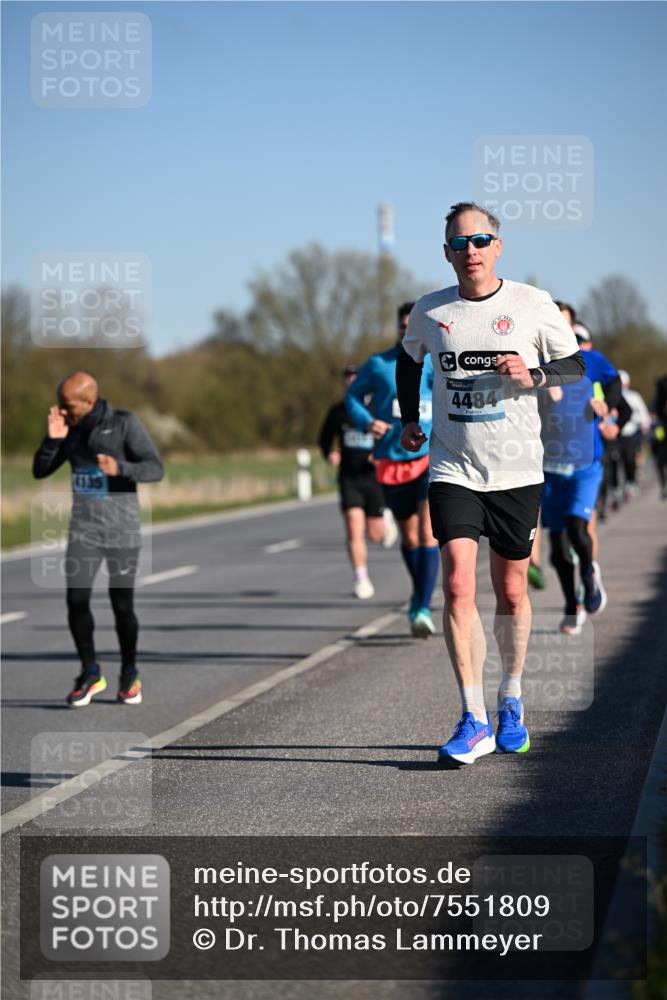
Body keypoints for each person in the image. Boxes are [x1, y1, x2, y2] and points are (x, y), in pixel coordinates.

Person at [397, 202, 585, 765]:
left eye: (480, 240)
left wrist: (535, 374)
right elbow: (410, 363)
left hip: (517, 471)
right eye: (459, 242)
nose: (470, 251)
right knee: (457, 585)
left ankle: (511, 699)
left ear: (497, 245)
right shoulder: (431, 311)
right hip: (453, 468)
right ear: (447, 252)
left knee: (510, 593)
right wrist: (411, 417)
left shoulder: (532, 304)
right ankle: (472, 716)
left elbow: (575, 365)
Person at [33, 372, 164, 707]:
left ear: (89, 401)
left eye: (67, 404)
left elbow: (155, 468)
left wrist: (120, 468)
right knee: (76, 600)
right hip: (84, 530)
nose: (61, 410)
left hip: (122, 529)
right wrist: (52, 440)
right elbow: (40, 470)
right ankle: (90, 672)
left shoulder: (123, 423)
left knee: (122, 605)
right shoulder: (68, 428)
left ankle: (129, 673)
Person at [346, 304, 440, 638]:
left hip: (429, 456)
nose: (406, 331)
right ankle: (419, 592)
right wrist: (367, 420)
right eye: (402, 326)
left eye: (412, 325)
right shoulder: (379, 364)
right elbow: (353, 396)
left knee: (429, 531)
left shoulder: (435, 360)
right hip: (392, 458)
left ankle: (423, 607)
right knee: (410, 536)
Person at [318, 365, 397, 599]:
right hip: (349, 477)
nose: (352, 381)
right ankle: (361, 578)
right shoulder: (338, 412)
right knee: (354, 526)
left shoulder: (377, 408)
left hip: (374, 478)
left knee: (375, 535)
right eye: (348, 378)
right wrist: (329, 453)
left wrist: (380, 453)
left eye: (356, 378)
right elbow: (324, 439)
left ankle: (387, 517)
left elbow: (394, 433)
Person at [610, 370, 651, 502]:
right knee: (614, 462)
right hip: (615, 435)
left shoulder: (634, 396)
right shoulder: (612, 396)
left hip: (630, 434)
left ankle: (630, 484)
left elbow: (643, 414)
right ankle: (615, 488)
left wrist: (644, 423)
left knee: (629, 460)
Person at [651, 373, 667, 499]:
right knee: (660, 460)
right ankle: (664, 486)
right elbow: (655, 410)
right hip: (662, 430)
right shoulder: (661, 383)